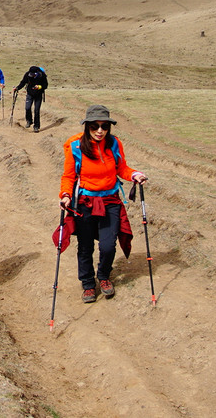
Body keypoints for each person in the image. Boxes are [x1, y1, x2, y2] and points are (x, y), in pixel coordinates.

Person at [59, 105, 147, 303]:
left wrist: (134, 175)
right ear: (87, 126)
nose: (100, 131)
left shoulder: (114, 144)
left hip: (110, 201)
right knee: (85, 246)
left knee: (108, 246)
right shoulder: (75, 146)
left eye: (104, 126)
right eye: (95, 126)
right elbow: (68, 176)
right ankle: (88, 284)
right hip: (85, 202)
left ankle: (104, 276)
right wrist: (65, 195)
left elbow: (121, 168)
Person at [13, 65, 48, 132]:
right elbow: (23, 82)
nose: (31, 75)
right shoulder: (27, 74)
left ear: (37, 73)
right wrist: (17, 88)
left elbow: (45, 85)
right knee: (27, 108)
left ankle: (36, 126)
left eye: (33, 74)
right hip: (29, 94)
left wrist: (39, 87)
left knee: (36, 110)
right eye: (31, 74)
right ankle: (29, 121)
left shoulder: (42, 75)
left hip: (38, 95)